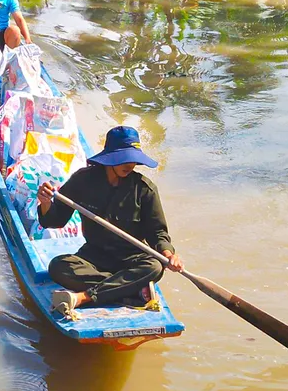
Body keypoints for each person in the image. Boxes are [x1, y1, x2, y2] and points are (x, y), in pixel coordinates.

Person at [36, 126, 183, 317]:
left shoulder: (145, 189)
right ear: (110, 157)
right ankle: (130, 288)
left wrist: (169, 254)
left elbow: (157, 233)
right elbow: (55, 220)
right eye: (123, 158)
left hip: (132, 260)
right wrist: (46, 203)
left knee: (154, 267)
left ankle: (84, 297)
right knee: (58, 267)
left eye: (132, 158)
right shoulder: (83, 180)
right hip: (94, 257)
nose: (129, 164)